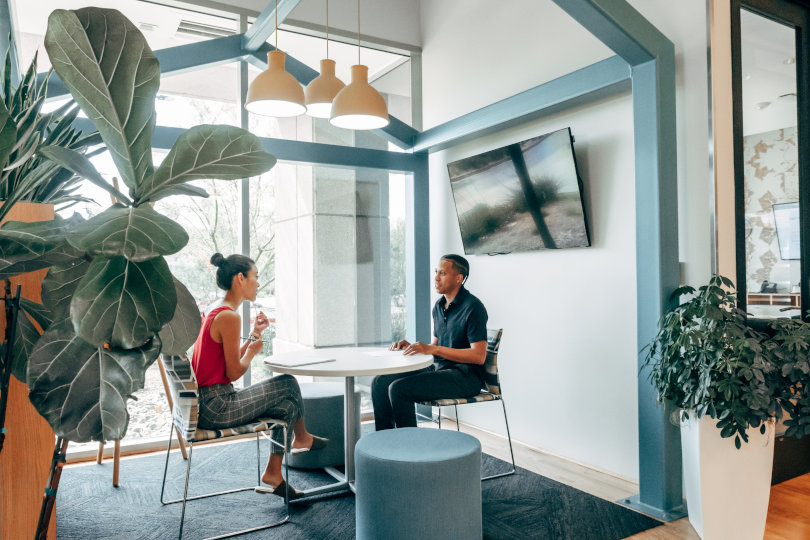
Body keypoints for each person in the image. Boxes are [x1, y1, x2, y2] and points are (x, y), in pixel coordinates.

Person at [192, 253, 327, 499]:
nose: (258, 283)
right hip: (217, 406)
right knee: (288, 382)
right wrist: (253, 352)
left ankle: (273, 473)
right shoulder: (229, 317)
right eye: (256, 277)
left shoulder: (217, 310)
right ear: (240, 279)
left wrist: (253, 337)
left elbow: (223, 364)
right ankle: (302, 437)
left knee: (286, 404)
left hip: (210, 401)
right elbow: (234, 372)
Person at [371, 254, 488, 430]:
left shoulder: (473, 307)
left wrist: (433, 349)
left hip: (465, 377)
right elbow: (435, 347)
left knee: (399, 389)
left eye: (442, 273)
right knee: (380, 382)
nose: (435, 277)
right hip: (440, 369)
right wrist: (415, 347)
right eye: (436, 272)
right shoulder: (439, 306)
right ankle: (384, 442)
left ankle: (410, 448)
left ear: (458, 278)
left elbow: (478, 356)